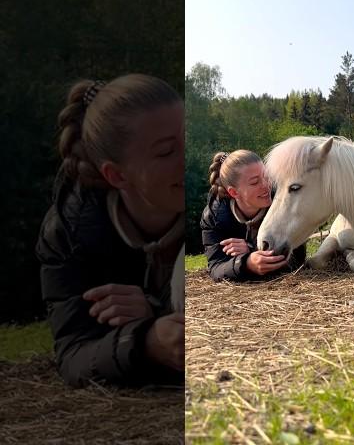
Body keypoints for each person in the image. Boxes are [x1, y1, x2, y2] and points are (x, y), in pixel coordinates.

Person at [35, 74, 185, 387]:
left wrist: (156, 310)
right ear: (116, 175)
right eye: (167, 152)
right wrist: (147, 342)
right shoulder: (70, 234)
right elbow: (74, 355)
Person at [201, 150, 305, 281]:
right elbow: (216, 268)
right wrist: (247, 263)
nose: (266, 185)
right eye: (255, 182)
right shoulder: (214, 216)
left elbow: (298, 259)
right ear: (234, 192)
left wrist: (252, 248)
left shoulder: (284, 201)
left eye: (266, 176)